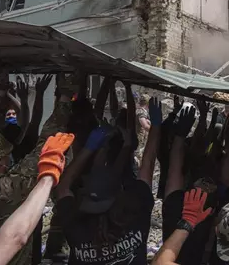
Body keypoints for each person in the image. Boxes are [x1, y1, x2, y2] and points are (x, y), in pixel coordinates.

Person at [54, 97, 160, 265]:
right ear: (119, 193)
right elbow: (147, 165)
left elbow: (62, 187)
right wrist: (156, 126)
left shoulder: (75, 225)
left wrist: (89, 147)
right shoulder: (135, 215)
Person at [0, 132, 75, 265]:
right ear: (0, 160)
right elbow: (15, 238)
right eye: (8, 156)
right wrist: (48, 177)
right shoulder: (4, 189)